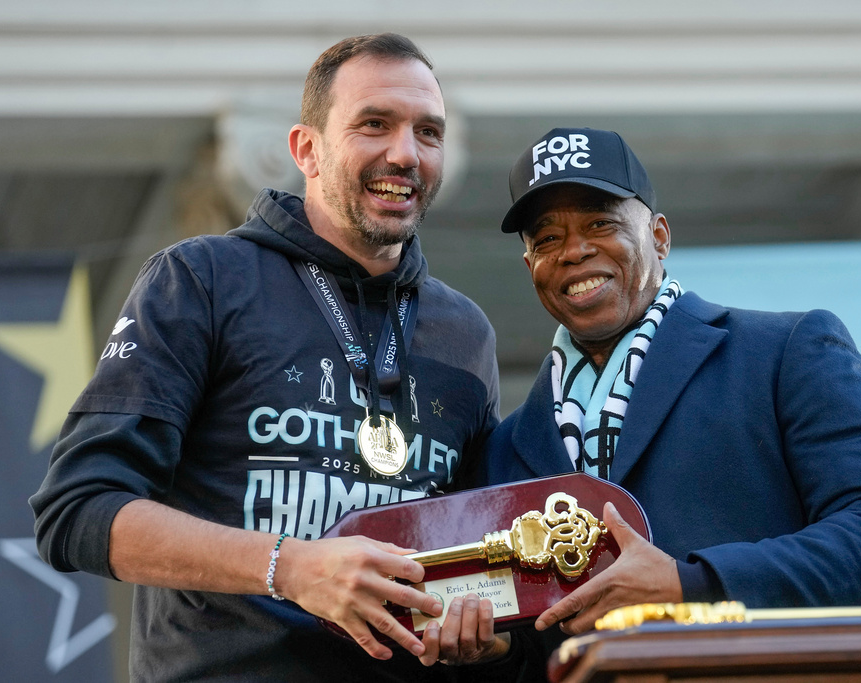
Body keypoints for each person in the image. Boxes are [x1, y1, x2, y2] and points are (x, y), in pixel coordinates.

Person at [30, 33, 517, 682]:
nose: (405, 153)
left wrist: (479, 634)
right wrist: (290, 565)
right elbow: (77, 511)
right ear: (305, 149)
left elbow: (466, 557)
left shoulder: (465, 332)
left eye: (428, 133)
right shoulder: (202, 279)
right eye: (374, 124)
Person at [479, 127, 861, 652]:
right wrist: (488, 653)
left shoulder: (784, 350)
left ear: (659, 236)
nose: (574, 251)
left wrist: (689, 585)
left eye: (600, 222)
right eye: (547, 238)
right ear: (530, 265)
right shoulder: (508, 444)